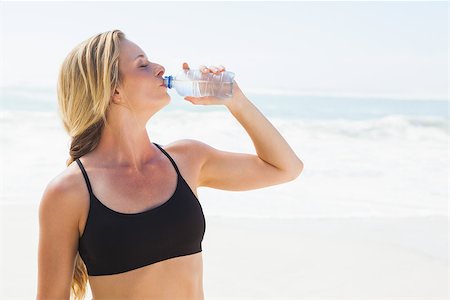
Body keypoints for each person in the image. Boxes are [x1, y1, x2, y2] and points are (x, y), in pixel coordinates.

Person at [36, 29, 303, 300]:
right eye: (142, 64)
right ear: (114, 90)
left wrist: (237, 101)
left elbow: (286, 167)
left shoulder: (187, 159)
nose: (159, 67)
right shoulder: (69, 191)